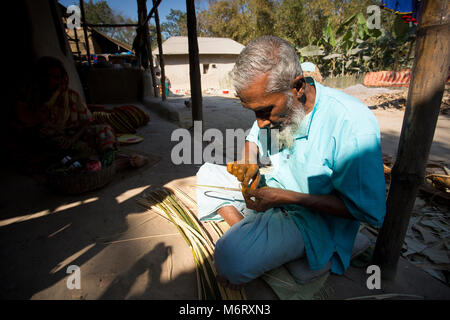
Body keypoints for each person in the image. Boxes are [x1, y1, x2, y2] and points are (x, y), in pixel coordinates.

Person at [195, 36, 386, 289]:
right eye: (253, 112)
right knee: (206, 173)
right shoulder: (276, 106)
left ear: (297, 87)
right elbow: (253, 139)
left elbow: (369, 211)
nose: (261, 122)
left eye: (264, 111)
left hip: (313, 217)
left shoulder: (351, 124)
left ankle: (283, 243)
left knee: (229, 259)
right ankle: (251, 232)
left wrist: (284, 198)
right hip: (274, 192)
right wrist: (248, 161)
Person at [11, 56, 145, 174]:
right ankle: (97, 164)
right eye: (46, 76)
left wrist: (73, 139)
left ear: (61, 78)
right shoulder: (30, 99)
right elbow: (25, 125)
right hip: (48, 141)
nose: (51, 81)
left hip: (73, 136)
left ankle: (105, 161)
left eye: (55, 77)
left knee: (104, 130)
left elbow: (87, 121)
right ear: (39, 77)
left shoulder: (70, 96)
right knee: (50, 155)